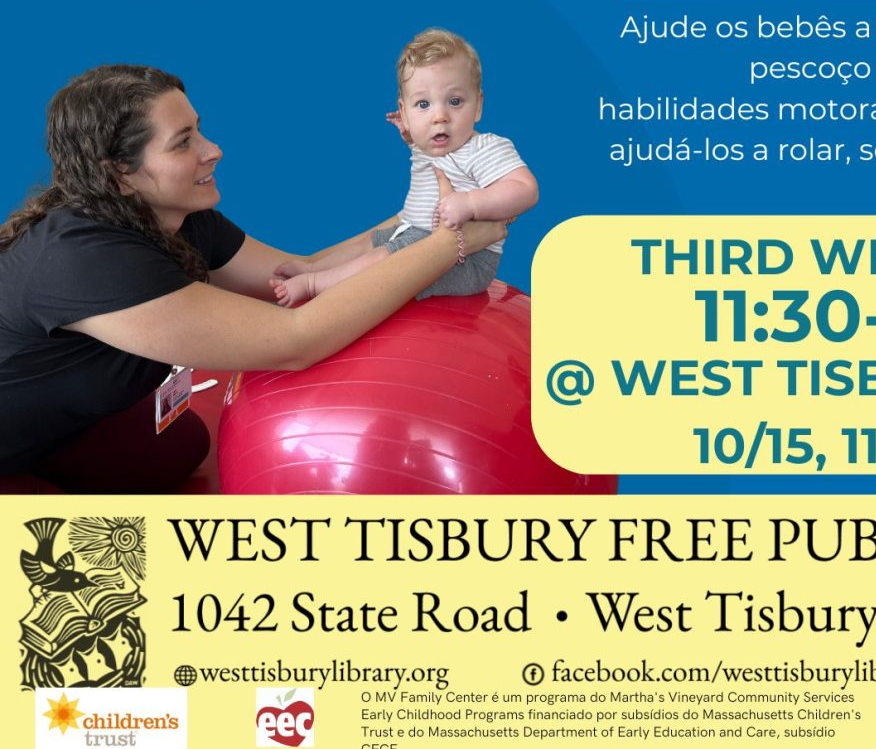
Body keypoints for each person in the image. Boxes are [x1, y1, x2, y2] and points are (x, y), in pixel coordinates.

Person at [0, 65, 505, 490]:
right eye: (183, 143)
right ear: (120, 175)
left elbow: (302, 276)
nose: (212, 149)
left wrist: (424, 214)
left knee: (181, 449)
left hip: (70, 421)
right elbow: (295, 340)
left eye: (199, 129)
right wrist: (450, 244)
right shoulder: (84, 260)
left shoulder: (174, 215)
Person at [270, 28, 537, 306]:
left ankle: (314, 285)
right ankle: (314, 269)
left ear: (478, 106)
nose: (439, 116)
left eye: (455, 102)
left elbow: (525, 189)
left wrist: (471, 203)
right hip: (414, 233)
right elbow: (433, 166)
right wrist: (411, 138)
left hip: (466, 261)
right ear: (404, 111)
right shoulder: (429, 147)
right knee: (371, 242)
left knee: (384, 257)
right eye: (423, 104)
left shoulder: (484, 148)